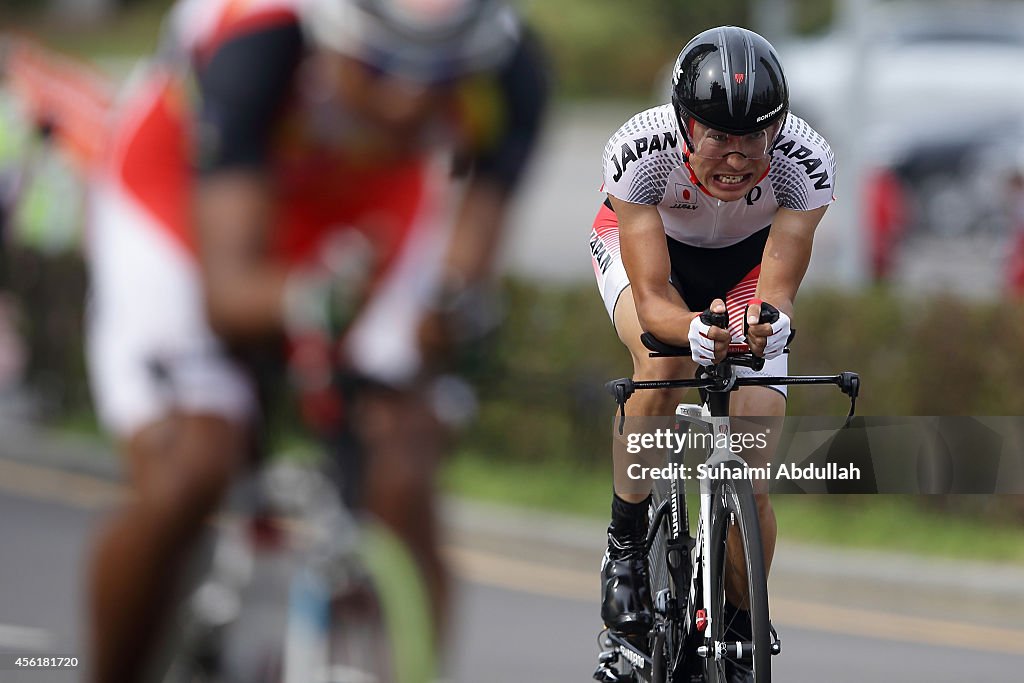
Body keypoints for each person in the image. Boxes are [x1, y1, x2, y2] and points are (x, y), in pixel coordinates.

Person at [78, 1, 548, 681]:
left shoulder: (513, 69)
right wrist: (310, 308)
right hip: (183, 208)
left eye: (443, 75)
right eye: (380, 66)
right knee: (194, 459)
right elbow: (230, 298)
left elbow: (460, 275)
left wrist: (438, 335)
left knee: (403, 457)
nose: (408, 100)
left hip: (366, 204)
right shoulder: (259, 43)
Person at [589, 25, 834, 681]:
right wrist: (689, 329)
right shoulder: (639, 152)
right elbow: (652, 298)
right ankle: (626, 542)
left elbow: (777, 287)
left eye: (753, 135)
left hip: (743, 270)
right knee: (664, 364)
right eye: (718, 135)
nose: (736, 156)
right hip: (652, 260)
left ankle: (735, 618)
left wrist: (769, 325)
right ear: (683, 124)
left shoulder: (805, 161)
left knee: (751, 470)